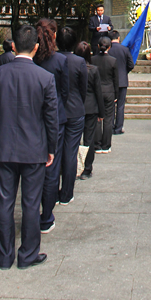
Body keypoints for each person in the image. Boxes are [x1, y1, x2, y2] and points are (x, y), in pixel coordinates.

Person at [0, 24, 58, 270]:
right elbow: (51, 118)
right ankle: (27, 254)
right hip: (34, 148)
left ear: (13, 46)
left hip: (3, 148)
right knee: (30, 203)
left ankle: (3, 256)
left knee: (4, 202)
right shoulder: (45, 78)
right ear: (36, 47)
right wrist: (51, 148)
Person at [34, 18, 69, 233]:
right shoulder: (59, 61)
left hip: (32, 117)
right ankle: (46, 216)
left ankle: (32, 211)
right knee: (51, 168)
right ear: (53, 35)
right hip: (54, 119)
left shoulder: (32, 60)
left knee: (33, 168)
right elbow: (64, 92)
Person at [57, 27, 87, 205]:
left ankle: (52, 191)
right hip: (75, 110)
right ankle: (67, 193)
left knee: (55, 150)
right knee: (70, 152)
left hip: (56, 111)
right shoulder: (79, 62)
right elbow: (83, 88)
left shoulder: (52, 59)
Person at [75, 42, 104, 180]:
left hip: (76, 106)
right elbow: (98, 91)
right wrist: (101, 112)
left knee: (74, 138)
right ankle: (87, 168)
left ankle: (74, 166)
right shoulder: (93, 70)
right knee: (89, 138)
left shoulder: (73, 68)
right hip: (91, 107)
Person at [92, 36, 119, 153]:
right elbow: (116, 80)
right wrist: (116, 95)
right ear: (110, 47)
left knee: (97, 118)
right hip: (109, 91)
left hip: (96, 91)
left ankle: (97, 144)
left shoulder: (93, 60)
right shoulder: (113, 61)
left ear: (98, 46)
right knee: (108, 118)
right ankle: (106, 145)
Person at [109, 30, 135, 135]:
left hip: (110, 81)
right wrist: (124, 72)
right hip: (122, 81)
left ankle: (110, 127)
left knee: (110, 106)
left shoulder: (108, 50)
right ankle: (118, 127)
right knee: (120, 106)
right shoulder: (124, 49)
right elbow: (131, 64)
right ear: (119, 38)